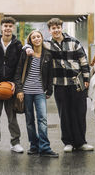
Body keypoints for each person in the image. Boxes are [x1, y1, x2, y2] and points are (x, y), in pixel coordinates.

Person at [25, 18, 93, 152]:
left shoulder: (74, 42)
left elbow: (83, 61)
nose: (56, 30)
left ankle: (81, 142)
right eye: (53, 28)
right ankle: (67, 142)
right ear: (50, 30)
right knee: (64, 113)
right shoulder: (46, 44)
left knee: (79, 113)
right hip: (60, 83)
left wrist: (86, 79)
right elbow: (31, 43)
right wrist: (27, 47)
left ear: (62, 28)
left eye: (58, 27)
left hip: (76, 82)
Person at [14, 30, 59, 158]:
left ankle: (44, 147)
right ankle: (34, 146)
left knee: (42, 119)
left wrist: (49, 90)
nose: (36, 39)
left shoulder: (48, 54)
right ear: (30, 40)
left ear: (42, 38)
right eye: (33, 37)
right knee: (29, 120)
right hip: (26, 92)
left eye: (38, 36)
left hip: (40, 92)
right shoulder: (25, 53)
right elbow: (18, 72)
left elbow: (50, 74)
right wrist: (19, 90)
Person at [0, 17, 24, 153]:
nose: (8, 28)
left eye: (10, 26)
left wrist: (14, 83)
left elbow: (19, 67)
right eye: (5, 26)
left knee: (12, 115)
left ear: (13, 28)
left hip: (11, 86)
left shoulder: (18, 45)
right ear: (1, 28)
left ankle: (15, 142)